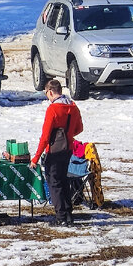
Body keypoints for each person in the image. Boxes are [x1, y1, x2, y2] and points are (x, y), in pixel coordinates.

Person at [32, 78, 85, 226]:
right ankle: (68, 215)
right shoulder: (73, 106)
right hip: (68, 149)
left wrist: (35, 158)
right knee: (64, 180)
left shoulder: (53, 109)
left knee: (54, 183)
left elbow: (45, 137)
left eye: (46, 94)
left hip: (54, 151)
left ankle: (61, 217)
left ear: (50, 92)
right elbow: (79, 129)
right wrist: (67, 134)